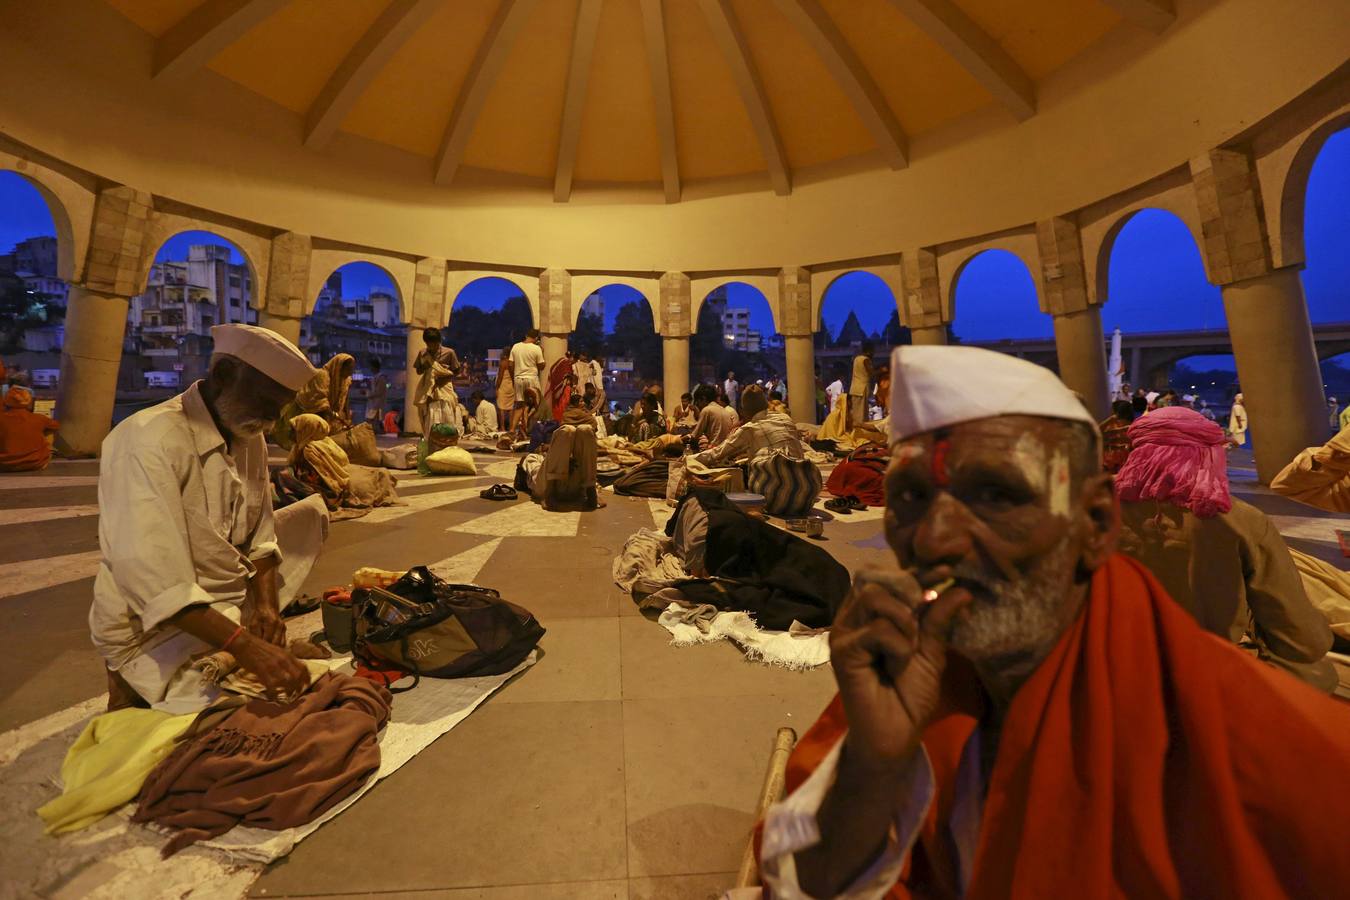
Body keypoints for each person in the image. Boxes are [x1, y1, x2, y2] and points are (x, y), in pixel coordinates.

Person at [756, 345, 1350, 898]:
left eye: (994, 494)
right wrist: (874, 762)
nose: (935, 538)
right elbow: (801, 880)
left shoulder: (1286, 762)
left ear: (1095, 523)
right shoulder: (914, 670)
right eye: (910, 498)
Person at [91, 325, 328, 714]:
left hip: (225, 609)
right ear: (222, 377)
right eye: (266, 402)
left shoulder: (251, 436)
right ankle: (131, 683)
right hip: (151, 629)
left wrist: (266, 608)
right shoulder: (147, 439)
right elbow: (157, 584)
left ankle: (236, 640)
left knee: (311, 514)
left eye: (280, 409)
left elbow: (261, 538)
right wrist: (246, 647)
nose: (271, 419)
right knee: (234, 725)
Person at [1115, 407, 1336, 691]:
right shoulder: (1241, 520)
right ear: (1207, 454)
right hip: (1201, 673)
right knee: (1318, 673)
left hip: (1107, 663)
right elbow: (1301, 639)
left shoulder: (1087, 507)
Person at [690, 385, 803, 468]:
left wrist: (689, 459)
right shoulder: (785, 418)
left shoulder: (750, 428)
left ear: (746, 411)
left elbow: (718, 452)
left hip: (774, 487)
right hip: (806, 482)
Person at [537, 394, 604, 511]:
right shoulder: (534, 459)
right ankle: (550, 490)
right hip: (551, 479)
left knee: (585, 429)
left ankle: (590, 487)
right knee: (569, 430)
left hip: (577, 480)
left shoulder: (584, 418)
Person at [413, 328, 461, 442]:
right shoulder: (422, 353)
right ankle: (431, 439)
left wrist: (443, 376)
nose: (431, 346)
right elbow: (418, 371)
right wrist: (425, 366)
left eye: (434, 343)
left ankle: (448, 440)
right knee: (430, 413)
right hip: (429, 386)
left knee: (447, 412)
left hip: (444, 387)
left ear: (439, 341)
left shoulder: (449, 352)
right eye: (429, 343)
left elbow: (456, 371)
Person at [0, 385, 59, 471]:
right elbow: (56, 425)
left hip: (3, 465)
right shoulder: (39, 418)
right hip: (35, 463)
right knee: (50, 430)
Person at [509, 329, 546, 437]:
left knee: (519, 405)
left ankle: (512, 429)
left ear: (526, 335)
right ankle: (532, 428)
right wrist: (542, 353)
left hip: (518, 378)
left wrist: (514, 377)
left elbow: (511, 364)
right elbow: (541, 366)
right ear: (536, 338)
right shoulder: (536, 348)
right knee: (536, 404)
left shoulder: (516, 346)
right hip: (531, 378)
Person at [689, 384, 735, 449]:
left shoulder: (707, 410)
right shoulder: (724, 410)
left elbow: (695, 436)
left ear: (703, 398)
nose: (698, 405)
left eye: (698, 402)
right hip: (725, 449)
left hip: (714, 450)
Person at [1098, 398, 1134, 473]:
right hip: (1123, 462)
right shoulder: (1133, 425)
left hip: (1112, 461)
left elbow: (1096, 431)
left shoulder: (1112, 424)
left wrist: (1109, 420)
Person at [847, 341, 875, 429]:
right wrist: (882, 370)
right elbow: (871, 373)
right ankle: (859, 434)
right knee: (861, 415)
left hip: (855, 388)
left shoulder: (856, 359)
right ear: (869, 351)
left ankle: (858, 432)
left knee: (856, 413)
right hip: (861, 389)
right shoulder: (865, 360)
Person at [547, 349, 575, 421]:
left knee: (556, 405)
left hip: (556, 387)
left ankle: (555, 421)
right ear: (572, 357)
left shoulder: (559, 361)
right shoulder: (567, 363)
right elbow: (566, 377)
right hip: (564, 388)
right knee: (563, 405)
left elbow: (552, 371)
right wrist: (563, 386)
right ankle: (561, 420)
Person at [364, 357, 388, 427]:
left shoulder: (380, 378)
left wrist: (367, 393)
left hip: (376, 405)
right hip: (374, 404)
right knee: (371, 421)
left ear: (374, 367)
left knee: (371, 421)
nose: (370, 368)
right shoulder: (377, 377)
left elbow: (378, 392)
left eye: (371, 366)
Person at [495, 355, 515, 431]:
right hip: (511, 386)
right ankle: (511, 427)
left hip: (503, 385)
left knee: (501, 407)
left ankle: (502, 427)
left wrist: (497, 388)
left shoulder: (503, 363)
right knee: (511, 408)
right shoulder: (513, 363)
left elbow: (500, 377)